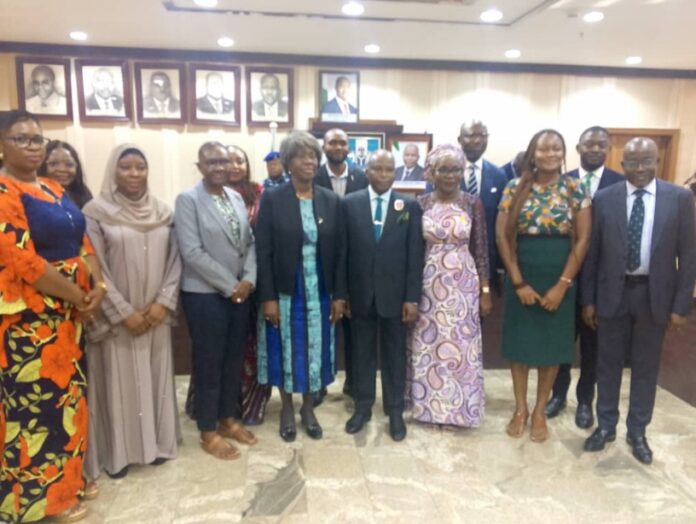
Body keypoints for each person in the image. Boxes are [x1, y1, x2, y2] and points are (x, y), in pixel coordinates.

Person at [0, 110, 106, 523]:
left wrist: (97, 287)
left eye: (38, 139)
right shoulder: (4, 189)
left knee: (68, 402)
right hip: (29, 319)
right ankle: (35, 502)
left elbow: (81, 240)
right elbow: (21, 259)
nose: (33, 146)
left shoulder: (50, 186)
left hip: (67, 315)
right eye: (21, 139)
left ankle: (68, 483)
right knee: (34, 410)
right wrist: (78, 295)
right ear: (2, 144)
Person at [582, 137, 696, 465]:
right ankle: (605, 426)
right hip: (612, 294)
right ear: (622, 164)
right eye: (633, 162)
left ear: (657, 160)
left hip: (654, 295)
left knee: (646, 366)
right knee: (607, 364)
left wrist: (680, 305)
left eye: (647, 160)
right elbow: (593, 255)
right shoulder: (604, 199)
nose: (640, 168)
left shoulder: (680, 198)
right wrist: (588, 300)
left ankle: (638, 431)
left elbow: (688, 256)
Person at [81, 144, 181, 481]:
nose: (135, 174)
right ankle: (119, 455)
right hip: (116, 318)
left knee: (156, 380)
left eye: (141, 167)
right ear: (113, 171)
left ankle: (157, 447)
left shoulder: (163, 212)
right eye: (126, 167)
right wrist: (123, 312)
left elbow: (175, 261)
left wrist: (161, 303)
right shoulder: (95, 212)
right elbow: (95, 268)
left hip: (156, 314)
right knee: (118, 383)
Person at [496, 129, 591, 443]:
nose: (550, 154)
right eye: (543, 149)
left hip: (560, 275)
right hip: (522, 273)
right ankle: (520, 409)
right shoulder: (515, 187)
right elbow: (502, 238)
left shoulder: (575, 188)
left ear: (564, 153)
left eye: (556, 149)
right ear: (532, 153)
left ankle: (539, 411)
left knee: (551, 351)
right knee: (520, 348)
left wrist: (563, 285)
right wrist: (518, 281)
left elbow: (583, 240)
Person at [255, 130, 346, 442]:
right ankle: (286, 407)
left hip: (320, 289)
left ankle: (309, 407)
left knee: (315, 349)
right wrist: (267, 297)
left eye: (313, 156)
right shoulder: (272, 198)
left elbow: (340, 252)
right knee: (285, 347)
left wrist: (339, 296)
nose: (309, 161)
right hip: (284, 289)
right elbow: (263, 251)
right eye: (301, 156)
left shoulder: (330, 200)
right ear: (288, 162)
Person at [175, 142, 258, 460]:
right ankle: (208, 431)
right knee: (209, 363)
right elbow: (192, 251)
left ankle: (227, 419)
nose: (220, 167)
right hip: (205, 296)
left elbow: (249, 242)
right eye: (211, 162)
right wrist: (230, 285)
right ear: (199, 166)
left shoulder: (235, 197)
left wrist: (248, 279)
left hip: (239, 293)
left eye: (224, 161)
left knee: (232, 360)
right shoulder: (188, 200)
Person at [342, 150, 425, 441]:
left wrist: (412, 298)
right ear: (368, 171)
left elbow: (415, 256)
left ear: (395, 172)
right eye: (377, 169)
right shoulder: (350, 204)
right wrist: (342, 294)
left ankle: (394, 411)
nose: (383, 175)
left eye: (389, 170)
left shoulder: (409, 207)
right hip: (360, 294)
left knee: (394, 356)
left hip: (396, 297)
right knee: (361, 354)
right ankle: (362, 408)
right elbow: (343, 254)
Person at [546, 126, 624, 427]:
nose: (595, 149)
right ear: (578, 148)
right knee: (562, 343)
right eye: (589, 145)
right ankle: (557, 394)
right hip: (564, 276)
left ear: (608, 148)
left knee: (592, 347)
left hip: (602, 280)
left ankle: (585, 402)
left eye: (601, 145)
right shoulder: (562, 183)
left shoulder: (619, 183)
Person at [408, 144, 490, 427]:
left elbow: (480, 248)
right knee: (428, 343)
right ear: (432, 171)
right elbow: (413, 249)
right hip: (428, 281)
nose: (450, 175)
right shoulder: (421, 203)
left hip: (463, 283)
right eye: (444, 169)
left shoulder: (472, 202)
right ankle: (427, 408)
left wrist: (485, 290)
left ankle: (461, 410)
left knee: (461, 345)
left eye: (456, 169)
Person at [314, 128, 368, 403]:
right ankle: (319, 382)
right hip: (321, 259)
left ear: (349, 147)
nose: (338, 146)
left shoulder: (362, 176)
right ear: (324, 146)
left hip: (356, 261)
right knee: (323, 326)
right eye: (332, 141)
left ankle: (354, 382)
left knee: (354, 327)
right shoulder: (313, 176)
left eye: (343, 142)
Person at [458, 119, 508, 289]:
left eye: (482, 135)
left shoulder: (499, 175)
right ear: (460, 140)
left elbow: (502, 224)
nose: (478, 140)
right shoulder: (444, 172)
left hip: (488, 262)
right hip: (451, 260)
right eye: (471, 135)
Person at [39, 140, 94, 209]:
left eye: (69, 164)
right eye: (54, 164)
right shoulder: (35, 195)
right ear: (43, 166)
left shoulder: (84, 193)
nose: (62, 169)